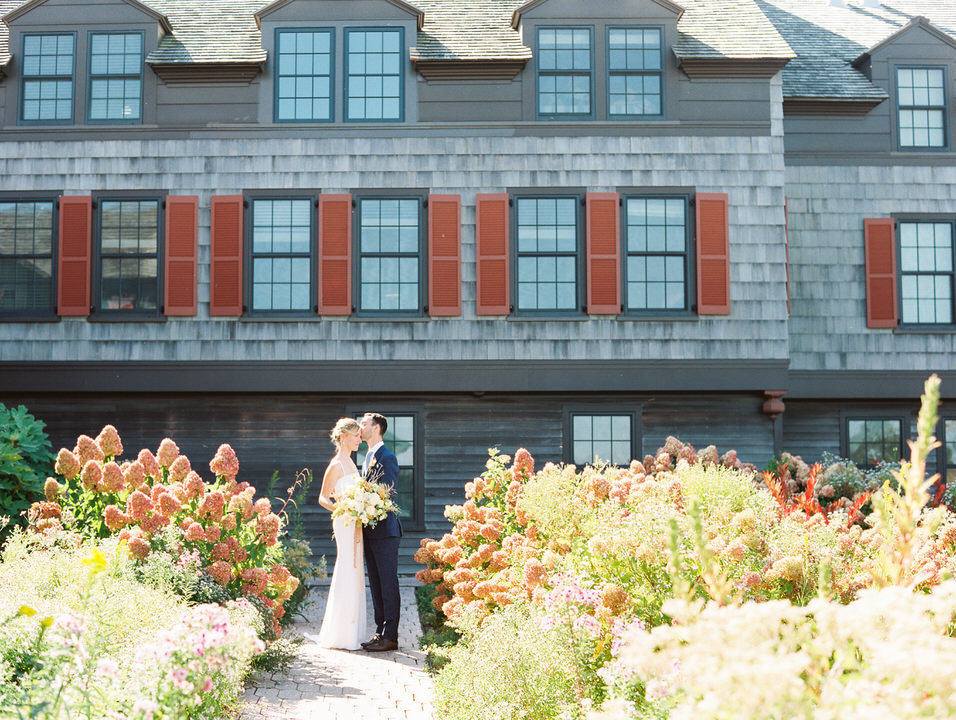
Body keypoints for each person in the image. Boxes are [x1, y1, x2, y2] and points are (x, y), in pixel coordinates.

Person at [315, 417, 367, 651]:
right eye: (356, 435)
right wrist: (343, 509)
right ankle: (340, 633)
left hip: (355, 522)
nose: (359, 439)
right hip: (344, 522)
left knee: (356, 569)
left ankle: (352, 630)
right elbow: (323, 497)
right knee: (347, 566)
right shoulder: (336, 465)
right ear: (343, 437)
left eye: (359, 436)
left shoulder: (351, 463)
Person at [358, 412, 403, 652]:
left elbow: (387, 493)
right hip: (371, 530)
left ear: (376, 428)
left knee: (387, 583)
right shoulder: (368, 456)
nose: (360, 427)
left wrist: (362, 499)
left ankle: (391, 636)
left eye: (363, 424)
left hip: (386, 531)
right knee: (375, 583)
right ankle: (380, 632)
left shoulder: (387, 457)